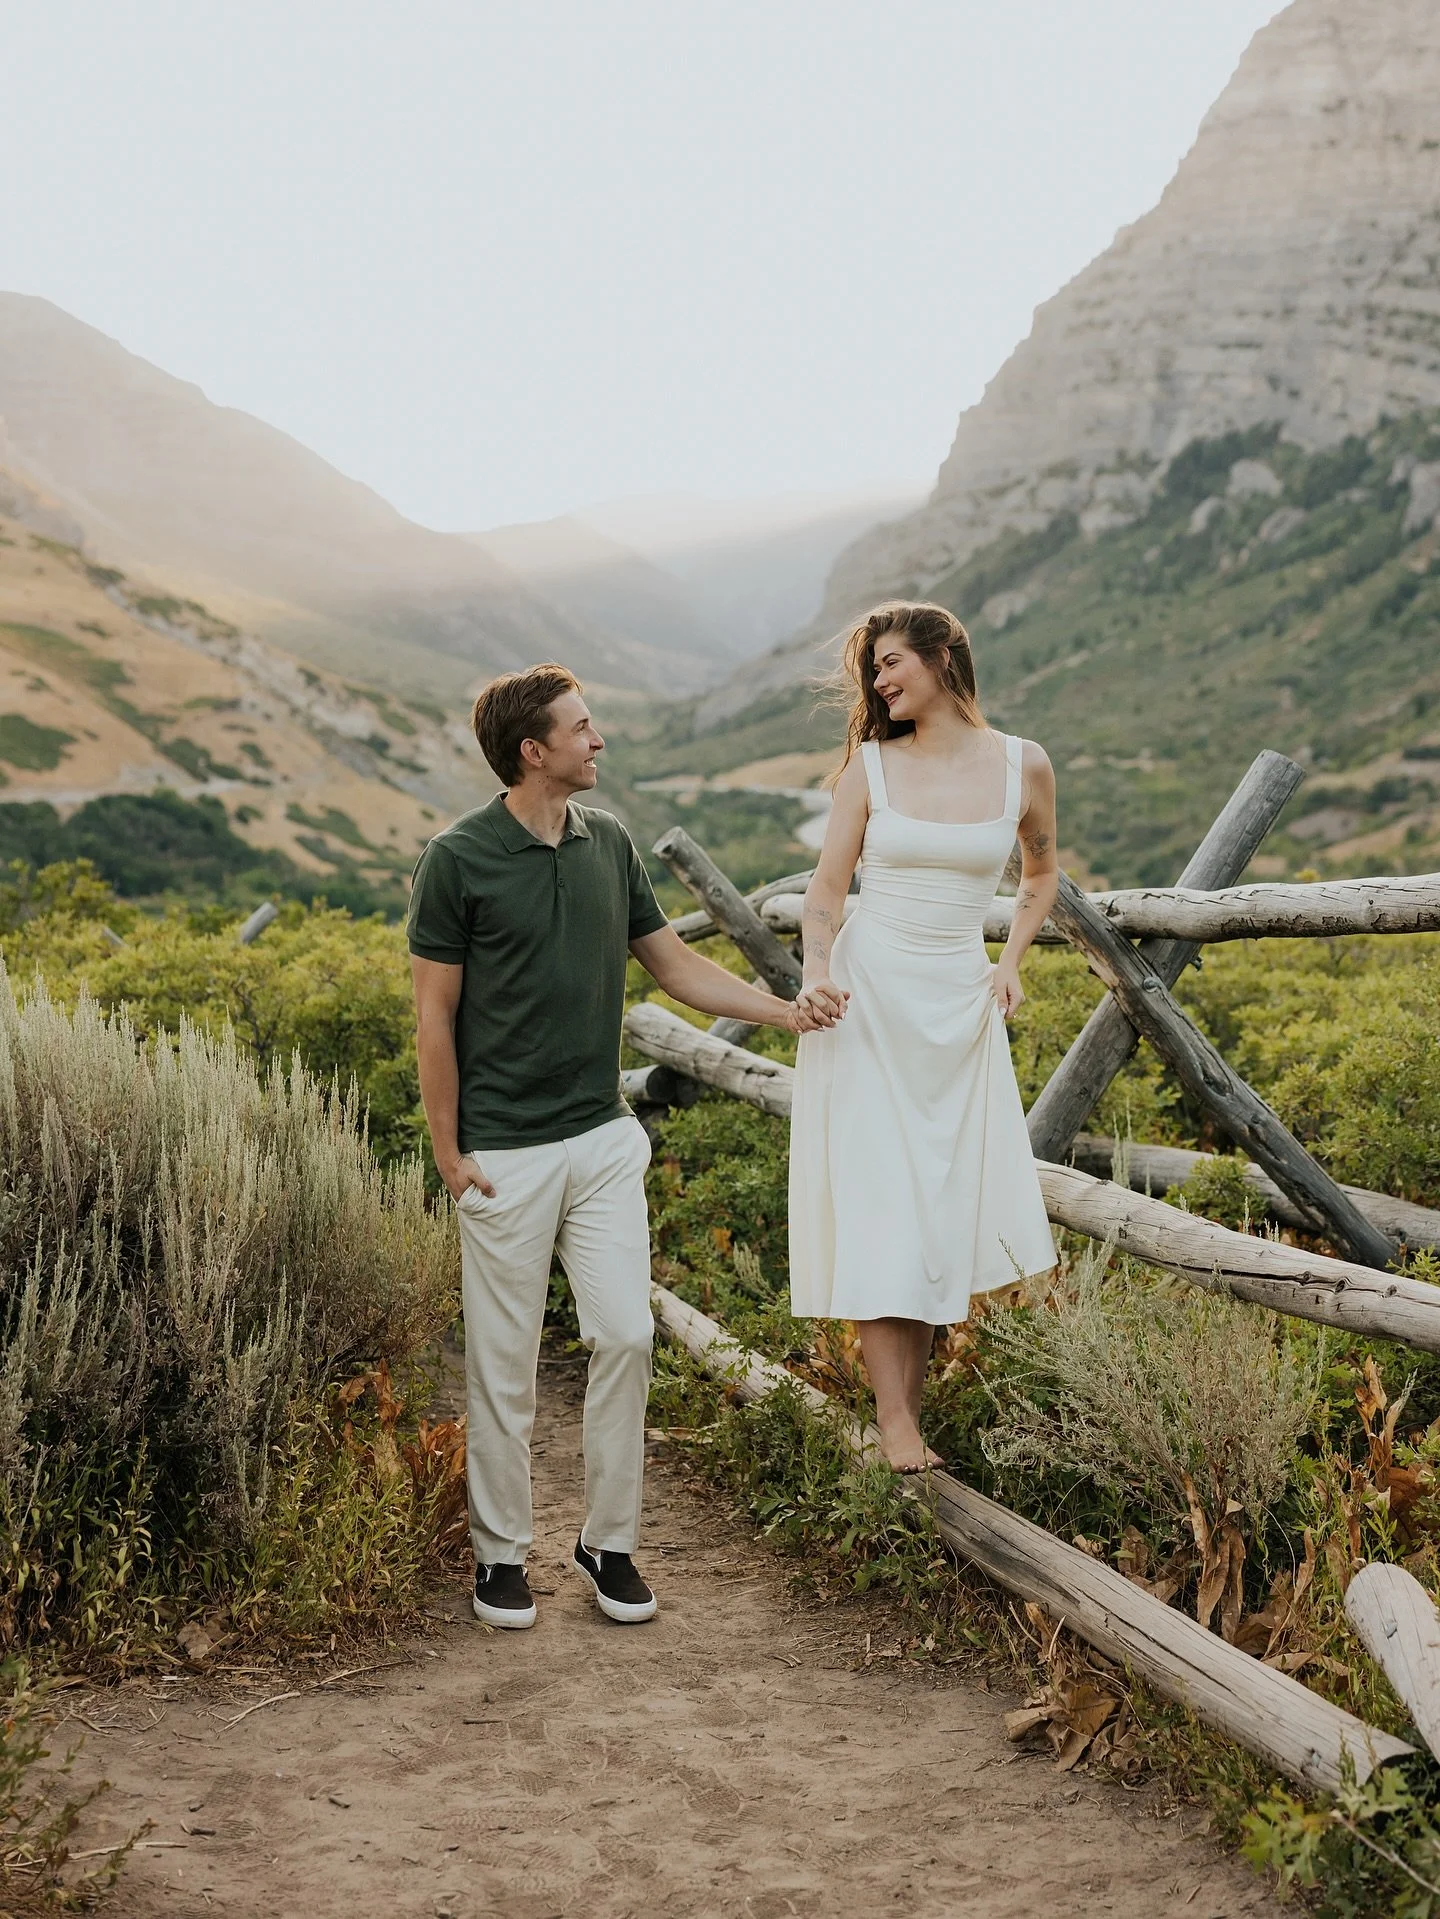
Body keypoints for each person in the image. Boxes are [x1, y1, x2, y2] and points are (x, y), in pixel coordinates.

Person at [408, 662, 842, 1630]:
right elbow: (433, 1016)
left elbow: (675, 965)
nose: (599, 738)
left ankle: (608, 1543)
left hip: (603, 1138)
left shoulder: (609, 841)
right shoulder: (460, 856)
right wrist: (450, 1152)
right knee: (504, 1361)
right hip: (503, 1150)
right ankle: (500, 1556)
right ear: (535, 749)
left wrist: (784, 1011)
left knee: (626, 1333)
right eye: (583, 726)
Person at [788, 602, 1059, 1472]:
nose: (880, 680)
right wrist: (817, 968)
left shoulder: (1025, 764)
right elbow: (826, 892)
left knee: (937, 1204)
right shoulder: (869, 768)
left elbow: (1043, 871)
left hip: (959, 1000)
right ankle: (895, 1423)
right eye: (873, 669)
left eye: (893, 661)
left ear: (945, 657)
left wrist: (1011, 959)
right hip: (868, 999)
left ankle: (908, 1409)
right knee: (882, 1200)